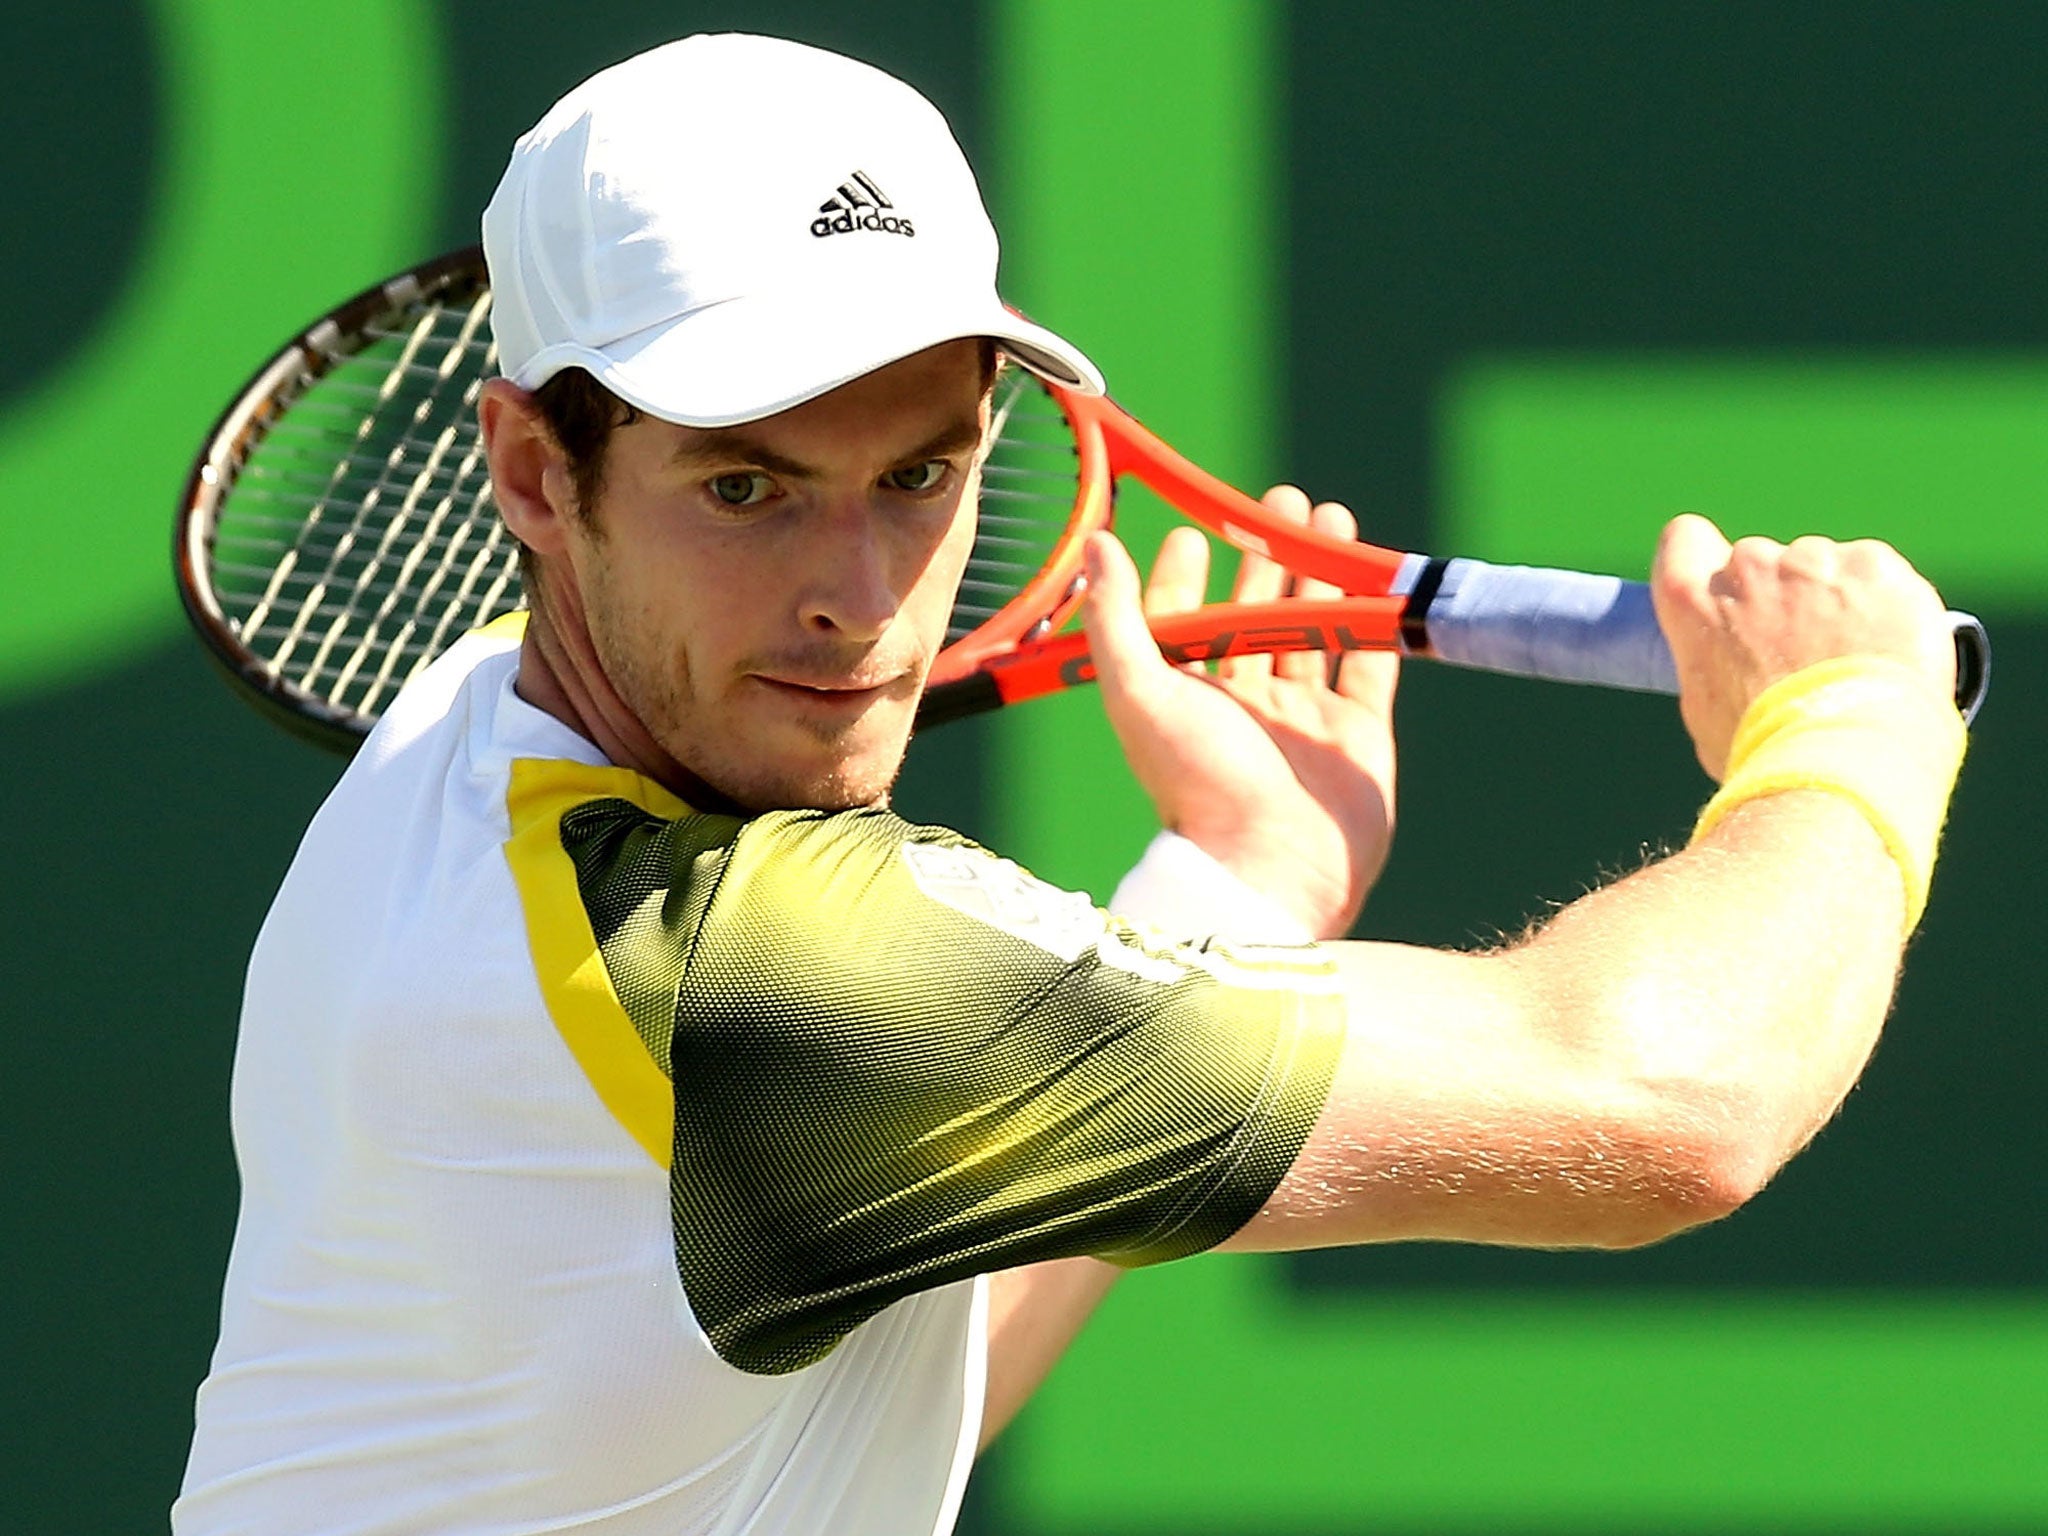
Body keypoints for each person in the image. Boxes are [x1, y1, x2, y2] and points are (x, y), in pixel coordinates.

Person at [173, 31, 1968, 1536]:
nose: (859, 595)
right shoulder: (758, 969)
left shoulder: (465, 734)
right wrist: (1853, 724)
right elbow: (1666, 1106)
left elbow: (824, 1424)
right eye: (747, 488)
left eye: (922, 476)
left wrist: (1231, 888)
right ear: (530, 470)